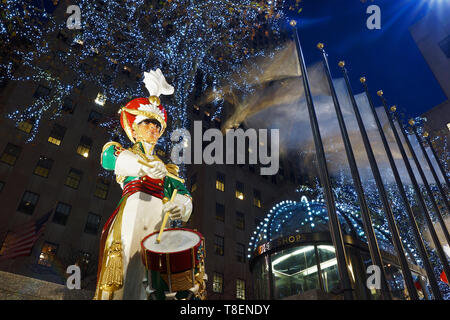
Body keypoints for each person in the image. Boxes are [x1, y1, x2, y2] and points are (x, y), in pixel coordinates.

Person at [93, 69, 193, 300]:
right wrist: (146, 167)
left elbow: (183, 194)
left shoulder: (169, 169)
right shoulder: (123, 151)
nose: (154, 129)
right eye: (147, 123)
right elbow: (110, 158)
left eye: (157, 126)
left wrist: (182, 206)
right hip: (132, 211)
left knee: (152, 274)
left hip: (158, 220)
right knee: (126, 266)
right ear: (134, 128)